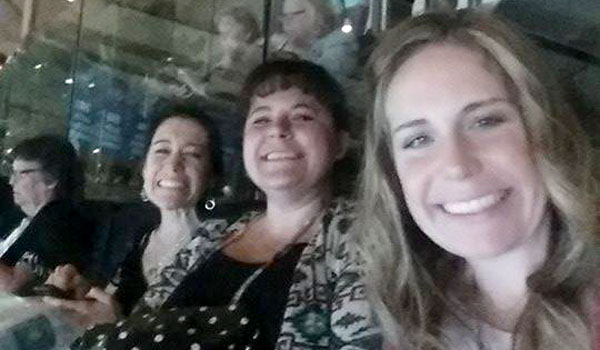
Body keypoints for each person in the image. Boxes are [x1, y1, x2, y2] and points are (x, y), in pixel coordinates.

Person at [73, 59, 381, 350]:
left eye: (302, 116)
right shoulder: (212, 236)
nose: (277, 129)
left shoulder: (365, 240)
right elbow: (143, 326)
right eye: (261, 119)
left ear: (340, 142)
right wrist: (110, 325)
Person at [356, 10, 600, 350]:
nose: (456, 165)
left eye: (485, 121)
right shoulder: (410, 317)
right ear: (392, 175)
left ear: (545, 130)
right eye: (418, 140)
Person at [43, 104, 228, 324]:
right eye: (162, 150)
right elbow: (115, 305)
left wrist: (115, 327)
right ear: (144, 167)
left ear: (211, 176)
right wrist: (82, 293)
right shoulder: (136, 238)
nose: (173, 165)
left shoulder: (224, 254)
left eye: (192, 154)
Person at [0, 135, 93, 293]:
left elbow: (11, 285)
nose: (11, 181)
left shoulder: (62, 222)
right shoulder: (19, 216)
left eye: (21, 174)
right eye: (12, 173)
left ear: (52, 178)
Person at [275, 0, 358, 79]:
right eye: (285, 15)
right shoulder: (297, 43)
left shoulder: (340, 41)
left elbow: (327, 77)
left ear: (317, 13)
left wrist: (292, 50)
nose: (288, 21)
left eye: (297, 13)